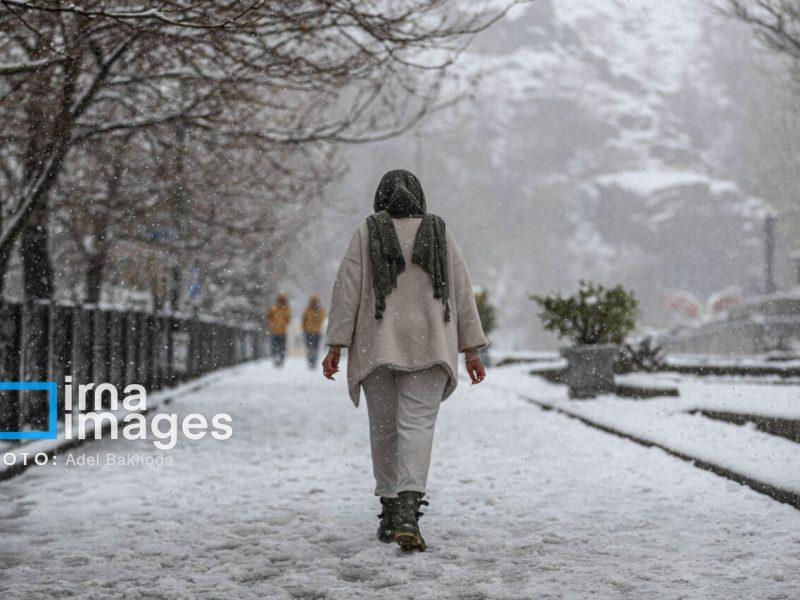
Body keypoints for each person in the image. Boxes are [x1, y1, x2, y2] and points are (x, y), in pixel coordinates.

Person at [322, 169, 488, 552]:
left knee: (384, 430)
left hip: (376, 345)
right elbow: (461, 290)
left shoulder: (367, 232)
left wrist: (336, 345)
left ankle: (389, 510)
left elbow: (347, 290)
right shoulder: (439, 232)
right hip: (430, 345)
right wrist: (472, 350)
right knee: (416, 428)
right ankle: (409, 513)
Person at [266, 293, 291, 367]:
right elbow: (268, 316)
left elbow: (288, 318)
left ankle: (281, 360)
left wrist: (285, 324)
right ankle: (275, 359)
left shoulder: (286, 309)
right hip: (275, 331)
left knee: (281, 347)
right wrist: (271, 324)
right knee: (275, 346)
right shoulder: (274, 308)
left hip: (282, 331)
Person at [302, 294, 327, 368]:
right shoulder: (308, 310)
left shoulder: (319, 310)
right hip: (310, 332)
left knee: (314, 348)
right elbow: (304, 320)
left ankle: (313, 361)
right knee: (311, 348)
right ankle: (311, 361)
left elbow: (323, 319)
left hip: (316, 332)